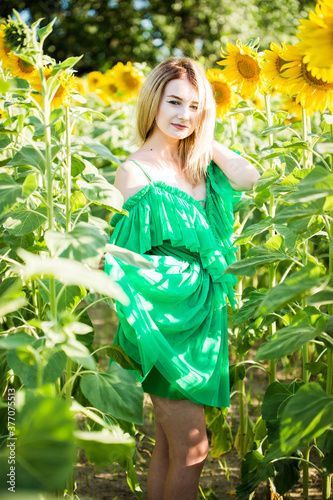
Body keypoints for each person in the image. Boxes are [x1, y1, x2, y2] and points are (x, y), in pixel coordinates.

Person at [103, 57, 260, 500]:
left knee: (171, 449)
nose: (183, 115)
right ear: (154, 100)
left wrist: (206, 140)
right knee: (194, 451)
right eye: (174, 102)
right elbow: (123, 257)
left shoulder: (199, 163)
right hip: (165, 320)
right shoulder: (135, 171)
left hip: (202, 314)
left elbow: (249, 176)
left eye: (195, 106)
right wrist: (174, 277)